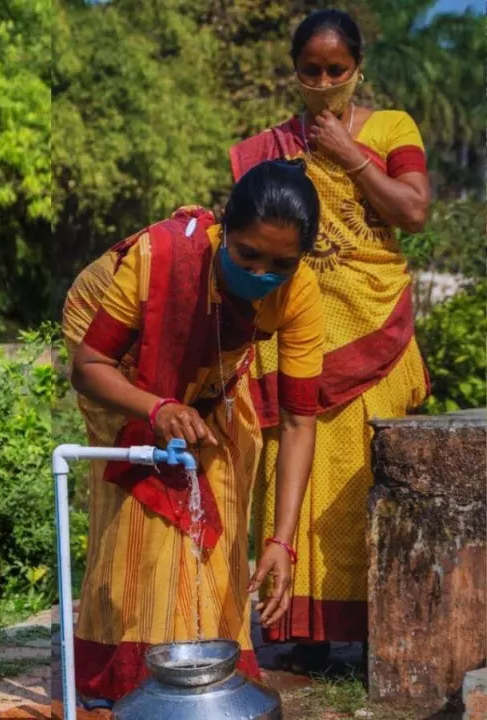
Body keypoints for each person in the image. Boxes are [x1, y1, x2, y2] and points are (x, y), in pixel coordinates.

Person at [61, 159, 324, 705]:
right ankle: (133, 670)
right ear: (223, 229)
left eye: (282, 264)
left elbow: (300, 420)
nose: (262, 274)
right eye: (248, 255)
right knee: (149, 503)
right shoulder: (161, 257)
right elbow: (89, 367)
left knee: (221, 477)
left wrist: (281, 542)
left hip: (218, 366)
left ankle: (205, 652)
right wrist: (156, 408)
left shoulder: (299, 293)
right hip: (121, 357)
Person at [229, 9, 431, 670]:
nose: (323, 81)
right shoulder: (268, 148)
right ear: (295, 72)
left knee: (368, 473)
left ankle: (377, 628)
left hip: (373, 332)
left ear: (357, 67)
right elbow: (249, 235)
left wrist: (348, 154)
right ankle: (301, 634)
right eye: (310, 70)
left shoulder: (392, 128)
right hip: (294, 321)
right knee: (295, 459)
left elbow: (413, 211)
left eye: (335, 70)